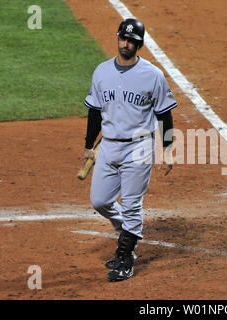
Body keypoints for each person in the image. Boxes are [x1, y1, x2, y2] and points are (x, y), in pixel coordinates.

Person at [82, 18, 177, 282]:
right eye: (123, 38)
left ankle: (126, 256)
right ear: (117, 37)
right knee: (100, 201)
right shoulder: (101, 72)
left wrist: (167, 149)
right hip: (109, 147)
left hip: (139, 148)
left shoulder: (153, 75)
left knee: (132, 204)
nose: (126, 44)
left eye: (132, 41)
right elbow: (94, 112)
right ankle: (128, 232)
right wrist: (89, 146)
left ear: (140, 45)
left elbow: (164, 115)